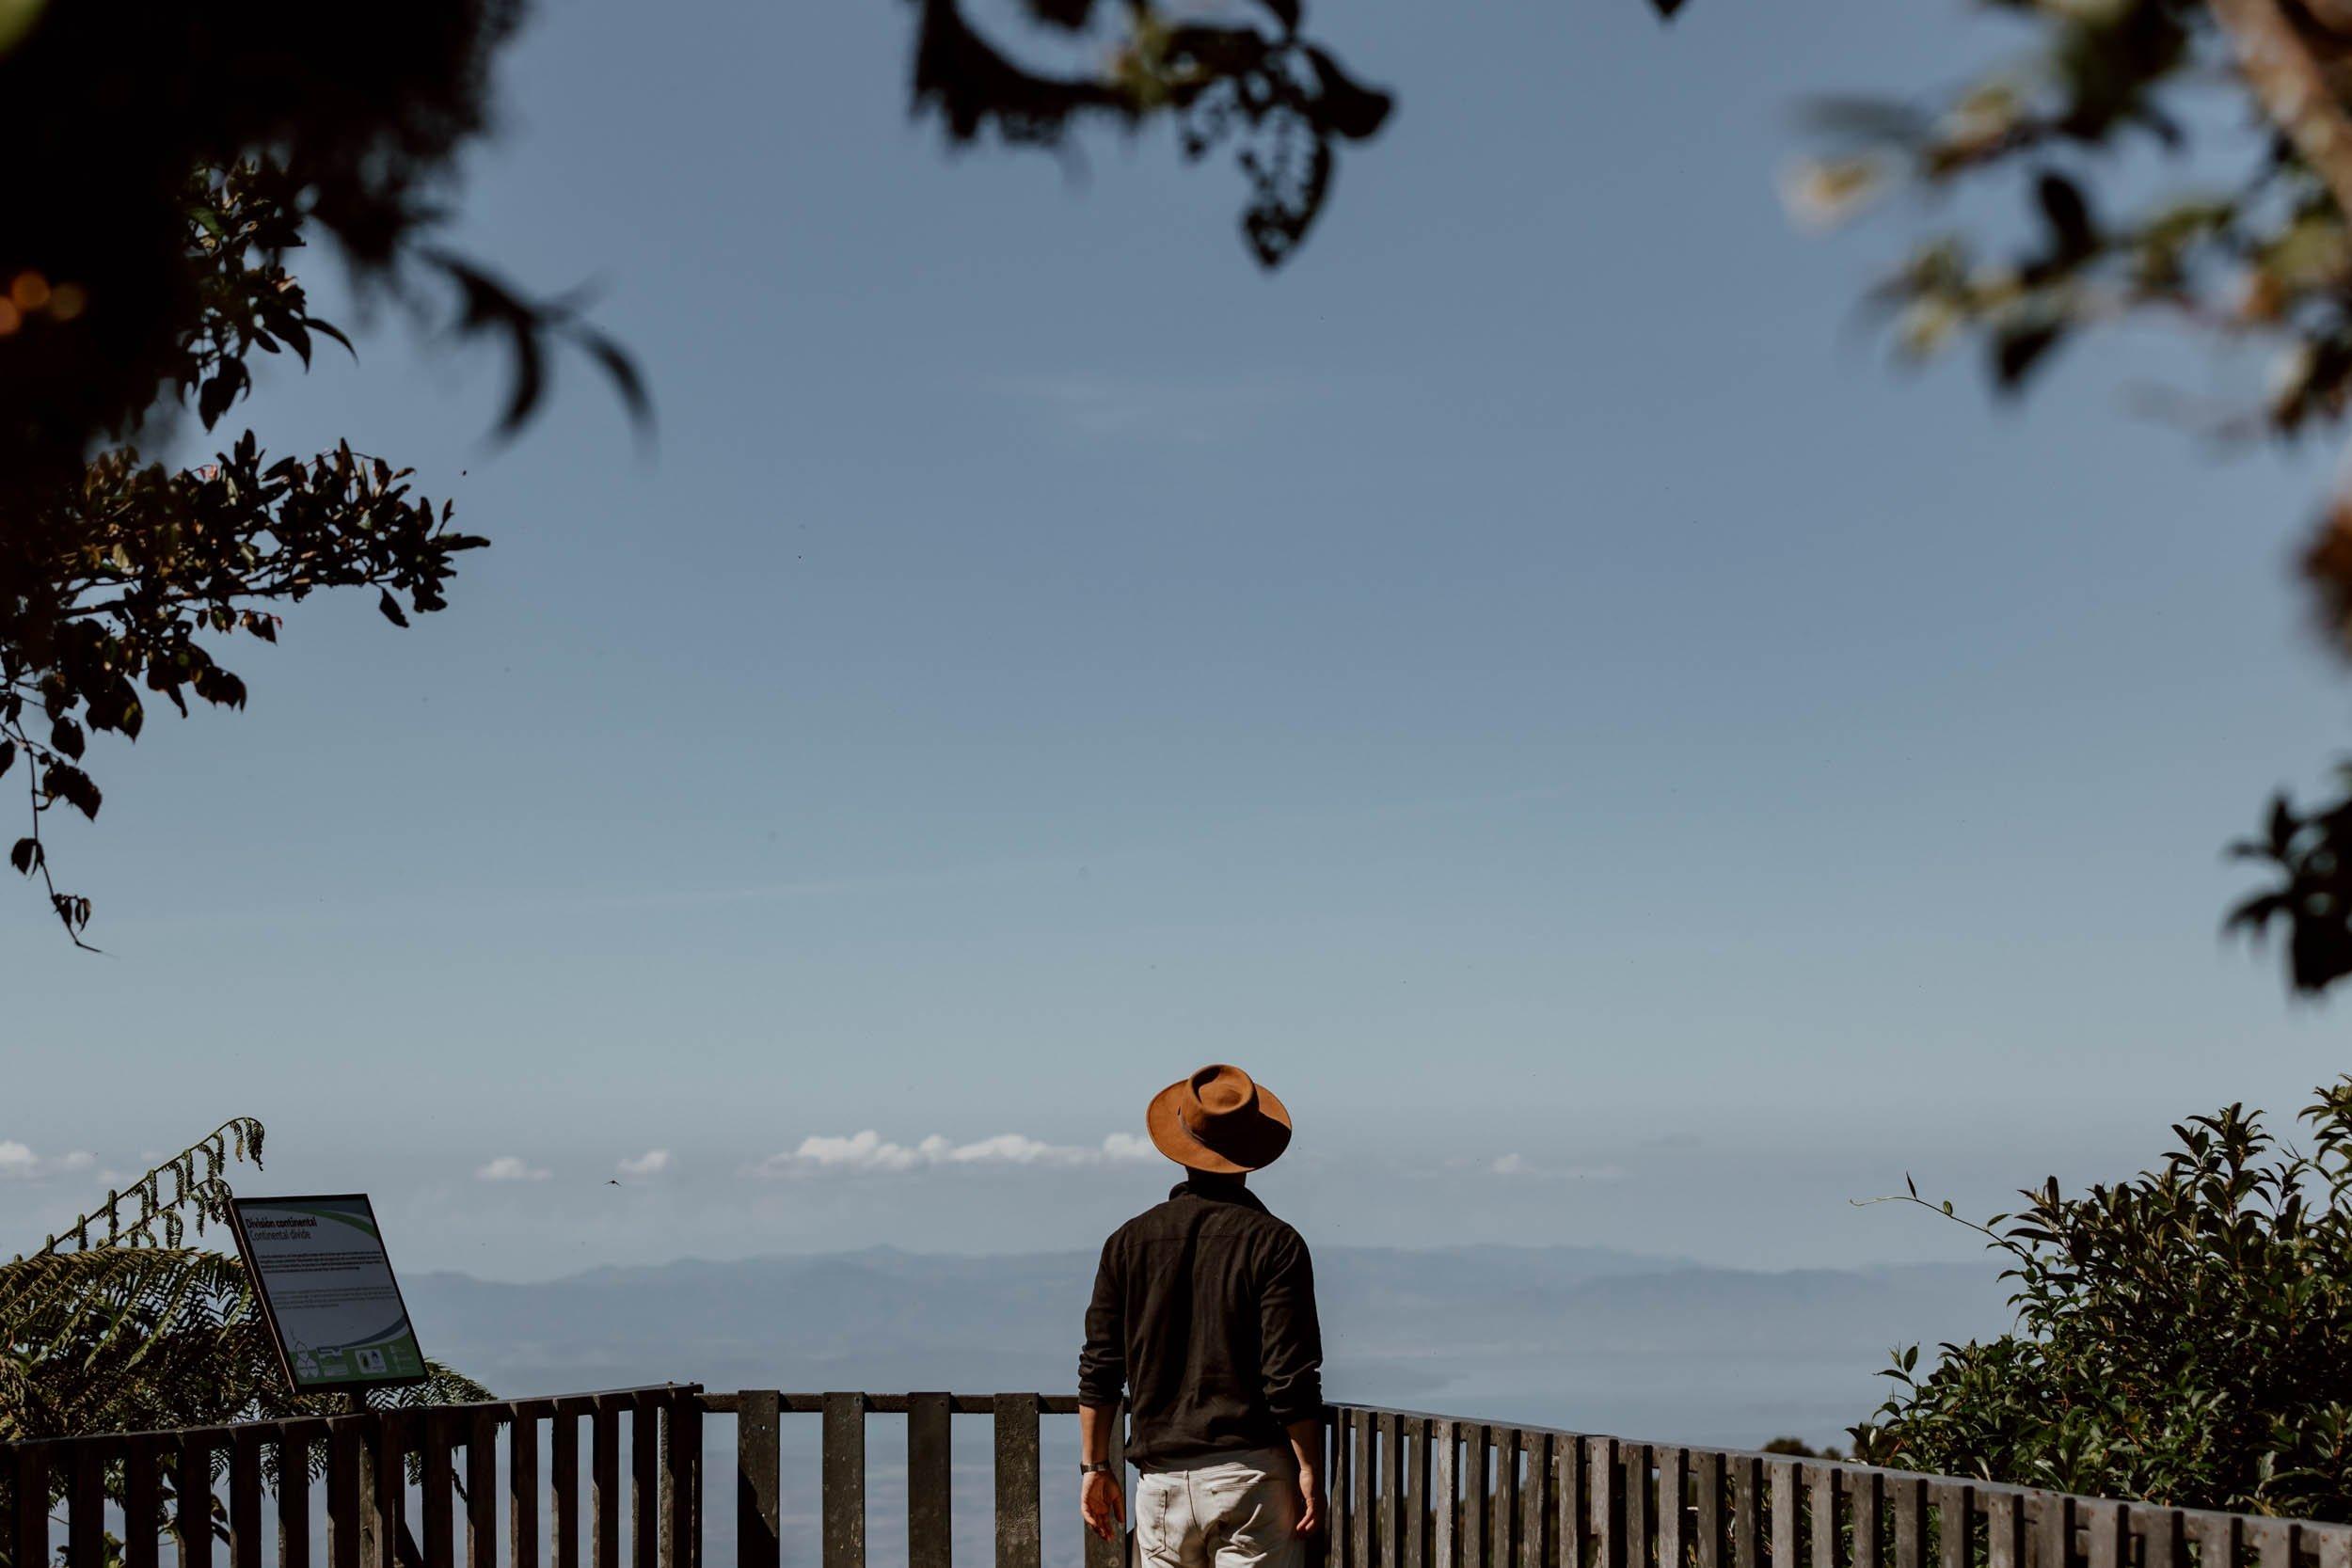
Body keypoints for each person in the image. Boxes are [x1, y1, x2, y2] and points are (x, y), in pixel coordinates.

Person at [1077, 1064, 1326, 1568]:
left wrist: (1095, 1465)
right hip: (1251, 1480)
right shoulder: (1276, 1244)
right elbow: (1288, 1377)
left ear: (1182, 1144)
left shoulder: (1127, 1243)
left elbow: (1101, 1367)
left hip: (1161, 1484)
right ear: (1252, 1154)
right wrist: (1309, 1469)